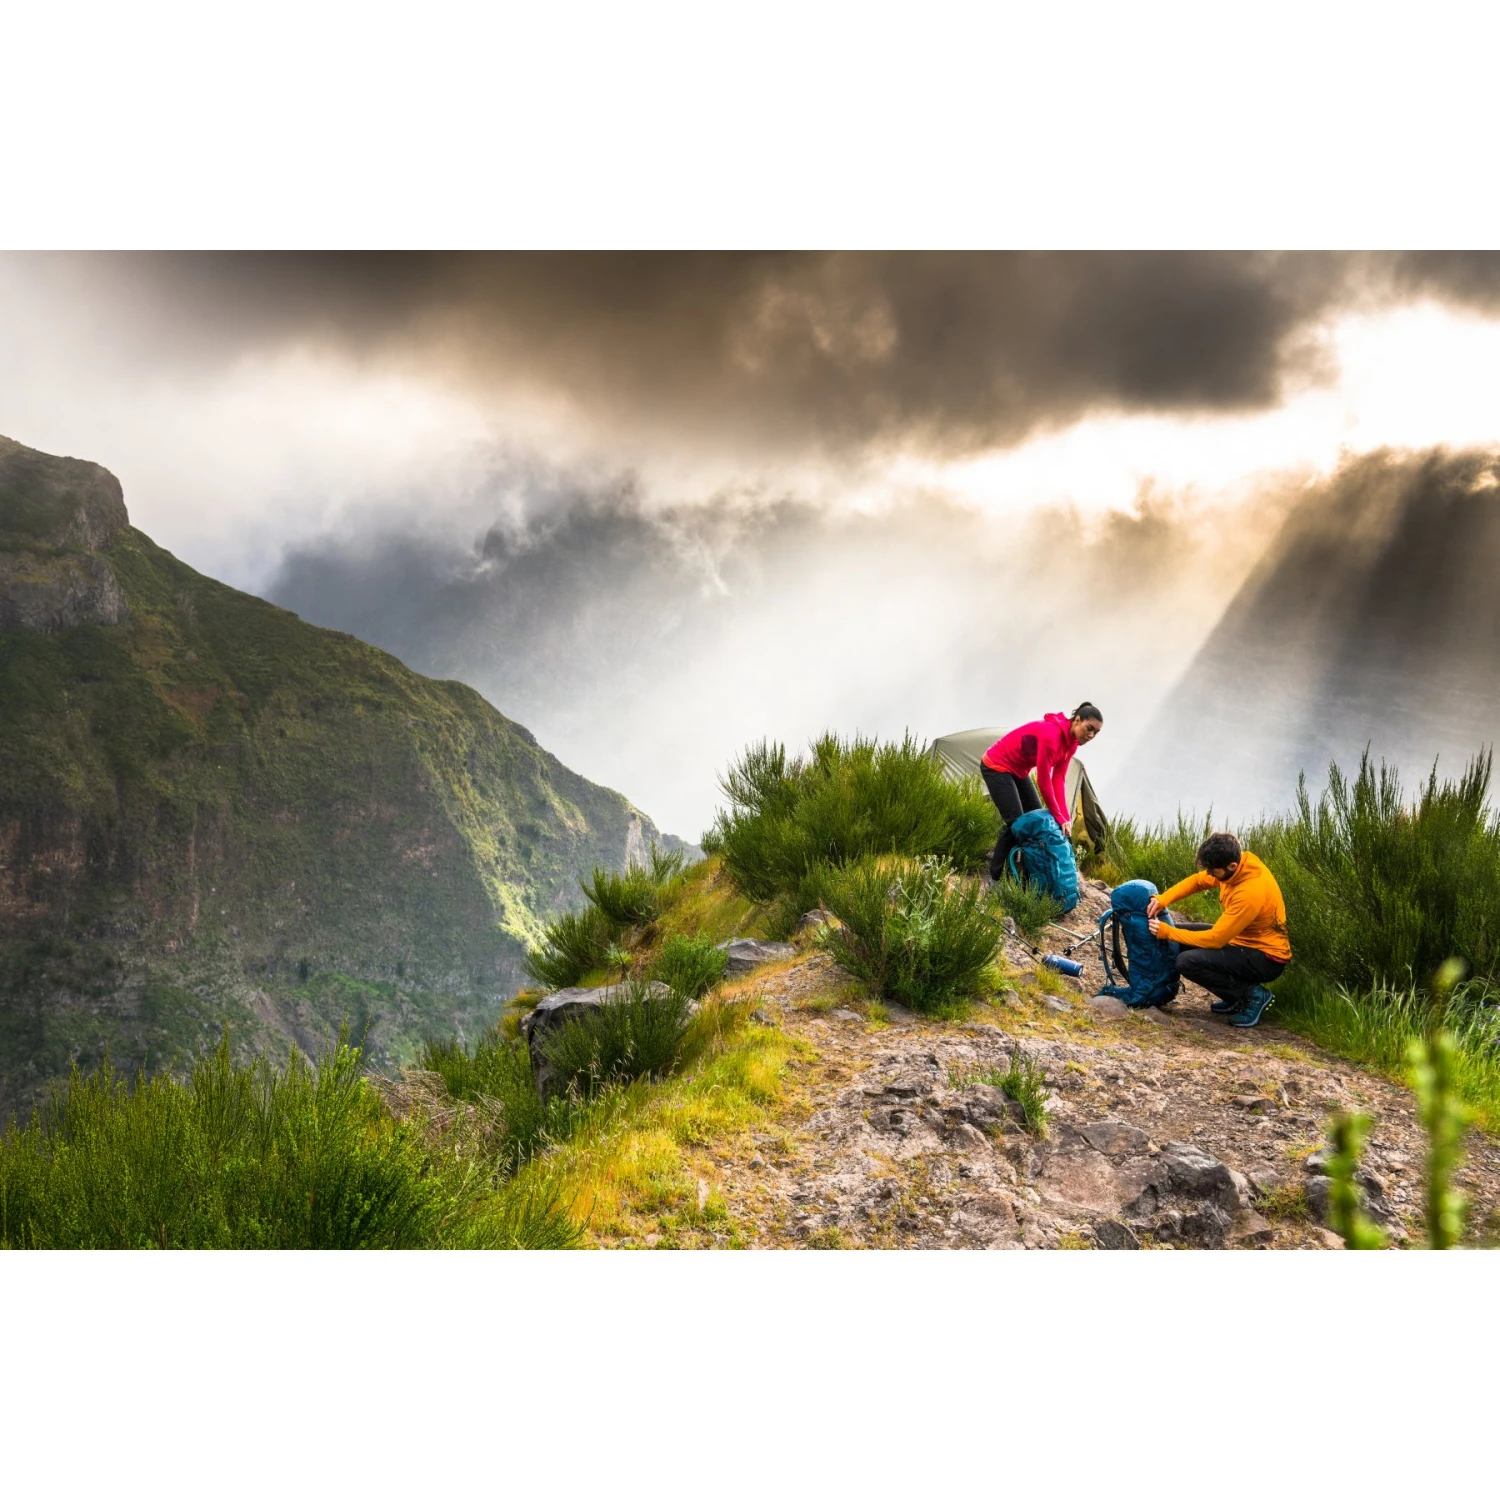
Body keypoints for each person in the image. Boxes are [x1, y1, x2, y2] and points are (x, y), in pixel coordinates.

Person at [1146, 831, 1291, 1028]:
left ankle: (1253, 995)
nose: (1209, 874)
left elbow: (1215, 940)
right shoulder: (1234, 866)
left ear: (1232, 866)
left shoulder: (1250, 891)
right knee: (1176, 937)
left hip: (1265, 958)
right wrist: (1164, 899)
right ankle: (1235, 997)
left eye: (1213, 871)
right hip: (1240, 941)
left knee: (1186, 961)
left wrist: (1168, 932)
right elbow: (1197, 881)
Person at [980, 703, 1102, 881]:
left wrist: (1064, 817)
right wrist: (1058, 816)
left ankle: (1023, 873)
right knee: (1017, 824)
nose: (1091, 735)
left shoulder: (1072, 744)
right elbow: (1044, 782)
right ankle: (996, 878)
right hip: (996, 765)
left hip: (1019, 771)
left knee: (1038, 821)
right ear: (1077, 721)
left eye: (1095, 732)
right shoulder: (1051, 735)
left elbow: (1058, 779)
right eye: (1089, 728)